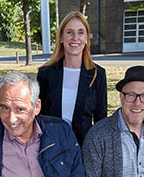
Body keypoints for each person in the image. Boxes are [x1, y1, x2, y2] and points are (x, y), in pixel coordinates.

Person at [37, 11, 107, 146]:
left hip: (84, 149)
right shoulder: (45, 74)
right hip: (52, 148)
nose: (75, 38)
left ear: (86, 38)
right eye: (69, 32)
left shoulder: (98, 74)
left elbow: (101, 120)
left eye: (81, 32)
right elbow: (38, 117)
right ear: (62, 38)